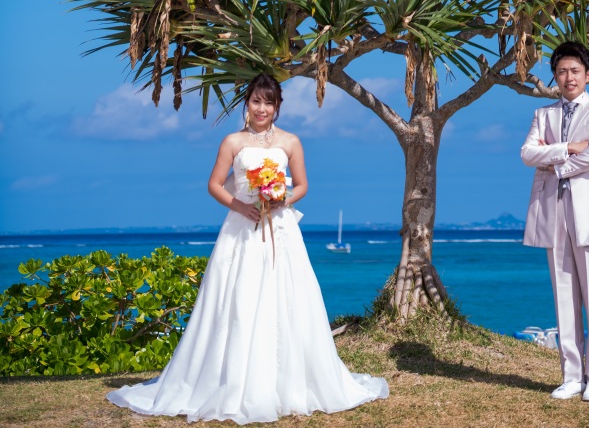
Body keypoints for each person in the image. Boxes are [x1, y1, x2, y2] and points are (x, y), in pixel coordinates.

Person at [108, 74, 389, 423]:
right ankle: (230, 381)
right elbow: (214, 184)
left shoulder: (291, 142)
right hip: (242, 228)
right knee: (236, 299)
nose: (262, 108)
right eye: (256, 101)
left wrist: (282, 199)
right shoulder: (233, 142)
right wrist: (241, 207)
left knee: (286, 297)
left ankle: (288, 382)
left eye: (268, 102)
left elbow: (302, 185)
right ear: (247, 103)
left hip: (281, 230)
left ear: (278, 106)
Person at [520, 41, 589, 404]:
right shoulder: (543, 114)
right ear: (555, 74)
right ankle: (571, 377)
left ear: (588, 74)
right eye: (562, 71)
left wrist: (555, 165)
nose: (569, 77)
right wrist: (567, 148)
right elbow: (526, 153)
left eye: (575, 71)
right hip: (554, 212)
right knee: (563, 295)